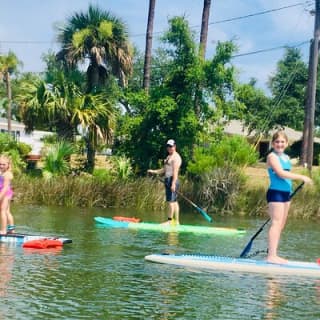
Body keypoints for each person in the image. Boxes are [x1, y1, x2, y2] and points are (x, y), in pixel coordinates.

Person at [266, 131, 312, 264]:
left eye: (282, 142)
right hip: (275, 193)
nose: (279, 144)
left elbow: (287, 174)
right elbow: (280, 174)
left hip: (286, 194)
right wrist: (301, 177)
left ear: (286, 143)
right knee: (276, 223)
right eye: (277, 142)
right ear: (273, 143)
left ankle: (274, 254)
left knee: (281, 225)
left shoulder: (286, 157)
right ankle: (271, 256)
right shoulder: (272, 157)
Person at [147, 139, 182, 224]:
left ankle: (170, 221)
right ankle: (176, 222)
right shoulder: (169, 157)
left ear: (175, 146)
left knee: (170, 201)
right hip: (168, 180)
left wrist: (173, 183)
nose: (169, 148)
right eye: (168, 146)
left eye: (171, 146)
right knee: (174, 201)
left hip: (172, 180)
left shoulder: (176, 157)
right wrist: (154, 171)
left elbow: (175, 172)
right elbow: (164, 169)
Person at [0, 155, 14, 235]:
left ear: (8, 165)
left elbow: (5, 188)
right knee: (7, 212)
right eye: (0, 164)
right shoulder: (2, 172)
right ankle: (11, 229)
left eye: (3, 164)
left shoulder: (7, 174)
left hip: (5, 194)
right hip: (4, 193)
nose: (1, 166)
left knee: (2, 211)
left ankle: (3, 230)